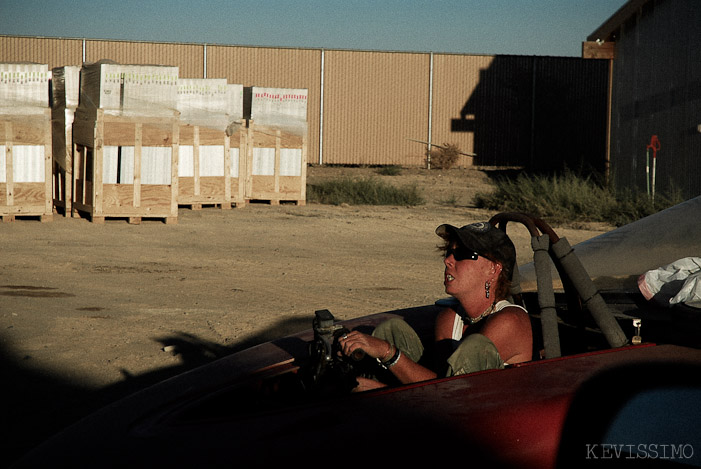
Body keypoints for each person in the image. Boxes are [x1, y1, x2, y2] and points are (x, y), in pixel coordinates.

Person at [338, 221, 532, 391]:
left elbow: (446, 392)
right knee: (391, 330)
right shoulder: (449, 318)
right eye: (449, 252)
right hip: (446, 407)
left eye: (463, 253)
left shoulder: (510, 321)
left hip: (488, 422)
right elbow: (438, 382)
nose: (448, 261)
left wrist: (388, 353)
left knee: (475, 346)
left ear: (493, 268)